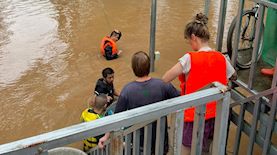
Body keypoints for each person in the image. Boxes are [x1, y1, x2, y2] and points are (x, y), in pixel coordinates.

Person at [162, 13, 237, 155]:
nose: (191, 45)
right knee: (209, 149)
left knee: (187, 150)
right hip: (217, 114)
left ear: (193, 38)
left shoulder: (189, 58)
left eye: (189, 42)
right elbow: (234, 76)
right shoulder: (221, 57)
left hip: (194, 115)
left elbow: (165, 78)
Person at [98, 51, 180, 154]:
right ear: (149, 67)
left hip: (139, 140)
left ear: (133, 69)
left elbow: (117, 117)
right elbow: (181, 98)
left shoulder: (127, 90)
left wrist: (106, 136)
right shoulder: (163, 85)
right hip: (160, 137)